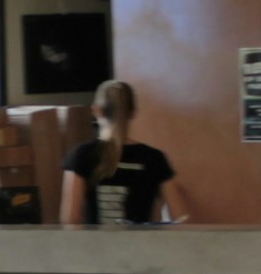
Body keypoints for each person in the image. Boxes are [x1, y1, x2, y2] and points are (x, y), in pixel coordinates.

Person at [62, 80, 176, 227]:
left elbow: (71, 221)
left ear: (96, 110)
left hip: (96, 248)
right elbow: (179, 218)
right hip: (143, 248)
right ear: (133, 113)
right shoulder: (154, 158)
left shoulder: (82, 155)